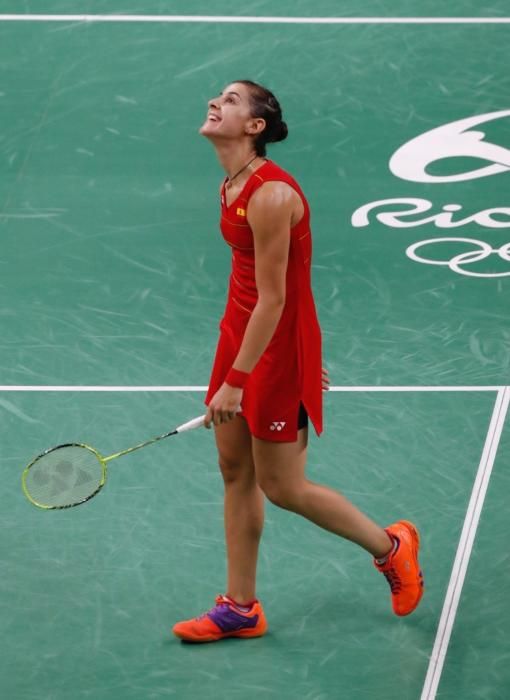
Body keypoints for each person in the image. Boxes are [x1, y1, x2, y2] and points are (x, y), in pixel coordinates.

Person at [172, 80, 424, 643]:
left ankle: (392, 547)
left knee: (283, 486)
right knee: (235, 470)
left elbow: (278, 297)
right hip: (240, 336)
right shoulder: (232, 182)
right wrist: (238, 362)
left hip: (272, 346)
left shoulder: (271, 195)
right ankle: (240, 608)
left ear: (255, 127)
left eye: (232, 100)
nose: (217, 102)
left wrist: (250, 376)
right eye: (219, 96)